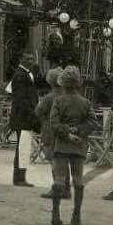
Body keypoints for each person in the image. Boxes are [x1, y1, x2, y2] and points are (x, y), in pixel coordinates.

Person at [49, 65, 96, 225]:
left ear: (62, 84)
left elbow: (53, 123)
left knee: (59, 179)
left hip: (62, 144)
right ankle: (76, 215)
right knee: (78, 180)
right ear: (78, 84)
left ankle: (55, 215)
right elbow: (92, 122)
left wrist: (67, 133)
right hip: (79, 145)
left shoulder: (58, 101)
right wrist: (79, 131)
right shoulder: (86, 102)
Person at [35, 67, 70, 200]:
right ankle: (66, 189)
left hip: (50, 132)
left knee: (53, 161)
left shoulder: (49, 97)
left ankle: (57, 189)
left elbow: (38, 112)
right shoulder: (66, 96)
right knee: (64, 161)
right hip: (64, 132)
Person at [10, 50, 39, 186]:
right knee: (23, 147)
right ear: (21, 59)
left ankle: (20, 176)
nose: (30, 61)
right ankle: (19, 178)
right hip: (23, 117)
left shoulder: (27, 74)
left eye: (32, 58)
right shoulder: (20, 75)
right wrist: (32, 114)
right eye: (27, 58)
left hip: (24, 116)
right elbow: (22, 100)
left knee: (23, 147)